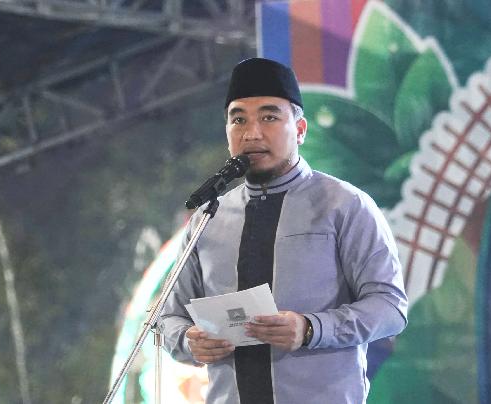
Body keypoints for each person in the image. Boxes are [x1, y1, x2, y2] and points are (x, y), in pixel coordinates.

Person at [160, 57, 408, 404]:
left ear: (301, 129)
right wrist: (189, 341)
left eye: (269, 117)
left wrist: (311, 329)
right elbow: (168, 317)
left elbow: (390, 308)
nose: (252, 133)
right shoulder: (208, 217)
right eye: (238, 119)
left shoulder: (346, 205)